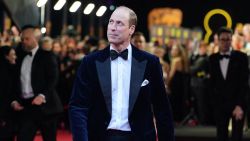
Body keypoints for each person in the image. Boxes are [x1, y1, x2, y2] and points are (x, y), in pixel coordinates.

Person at [69, 6, 174, 141]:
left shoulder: (150, 62)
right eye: (111, 22)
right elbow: (78, 106)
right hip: (100, 136)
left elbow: (162, 108)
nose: (112, 27)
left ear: (131, 29)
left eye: (119, 23)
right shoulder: (90, 62)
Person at [11, 25, 63, 141]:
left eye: (27, 39)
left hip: (46, 107)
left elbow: (53, 79)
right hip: (27, 106)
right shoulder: (19, 57)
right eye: (22, 39)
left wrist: (42, 95)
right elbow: (15, 81)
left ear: (36, 39)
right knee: (23, 137)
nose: (23, 42)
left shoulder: (47, 56)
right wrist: (15, 100)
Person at [208, 27, 249, 141]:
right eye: (222, 39)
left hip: (238, 105)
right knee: (221, 136)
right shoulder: (212, 59)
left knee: (237, 137)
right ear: (218, 40)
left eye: (228, 39)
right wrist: (215, 105)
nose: (225, 42)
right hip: (220, 105)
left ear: (231, 40)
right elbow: (212, 84)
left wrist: (240, 105)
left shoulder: (242, 57)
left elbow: (244, 83)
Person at [0, 46, 17, 141]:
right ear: (6, 56)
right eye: (13, 55)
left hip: (9, 113)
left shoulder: (11, 69)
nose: (15, 57)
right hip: (4, 114)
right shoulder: (4, 73)